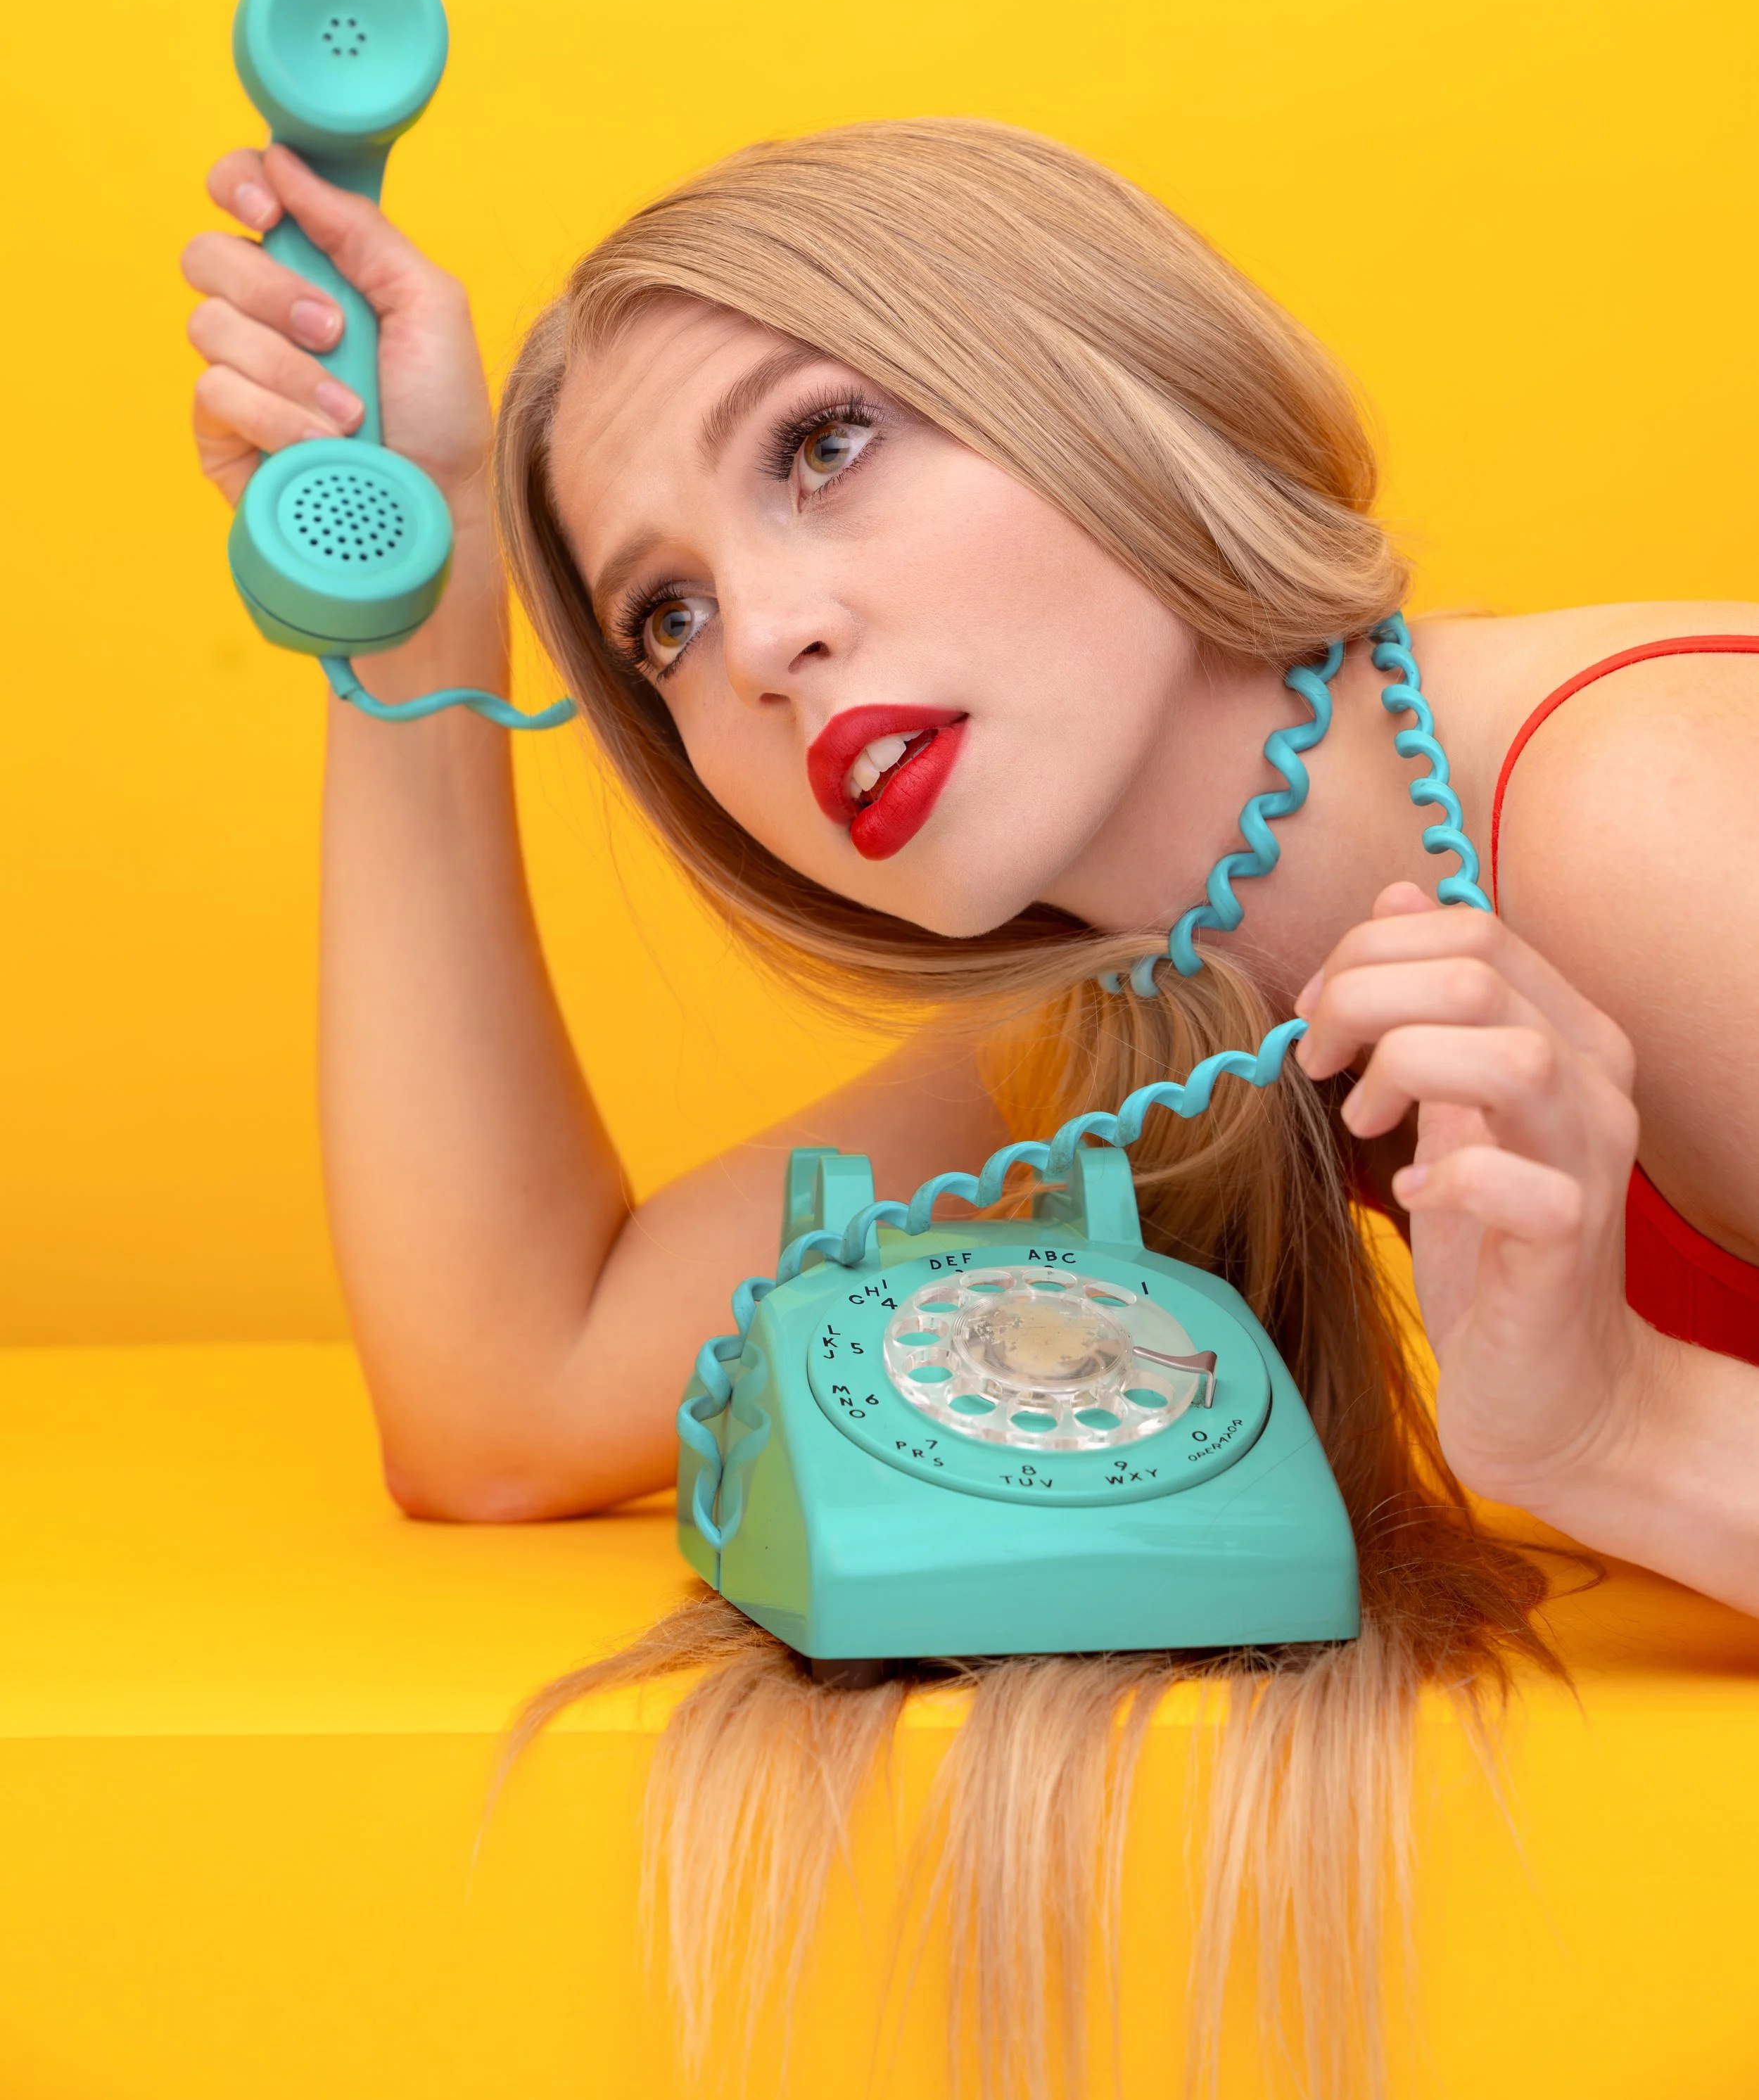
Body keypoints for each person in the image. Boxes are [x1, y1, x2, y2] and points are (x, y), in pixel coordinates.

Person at [182, 115, 1759, 2089]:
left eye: (820, 448)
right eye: (662, 617)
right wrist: (416, 591)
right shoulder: (1134, 1020)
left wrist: (1622, 1422)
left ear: (1089, 376)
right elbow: (507, 1389)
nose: (759, 643)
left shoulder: (1657, 814)